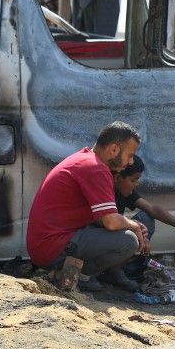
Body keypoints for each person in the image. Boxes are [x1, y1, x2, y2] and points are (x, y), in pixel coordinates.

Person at [26, 122, 148, 292]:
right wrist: (134, 225)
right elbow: (111, 222)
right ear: (114, 150)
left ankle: (69, 273)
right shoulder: (97, 168)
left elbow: (101, 218)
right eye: (130, 155)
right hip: (52, 248)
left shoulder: (85, 159)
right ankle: (75, 276)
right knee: (128, 241)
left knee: (124, 232)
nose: (131, 161)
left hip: (45, 246)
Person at [113, 156, 175, 280]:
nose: (136, 184)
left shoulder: (124, 191)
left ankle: (128, 271)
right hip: (103, 237)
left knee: (146, 217)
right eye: (133, 180)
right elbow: (110, 223)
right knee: (132, 232)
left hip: (114, 236)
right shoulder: (106, 191)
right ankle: (107, 272)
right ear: (118, 178)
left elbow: (152, 209)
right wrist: (137, 229)